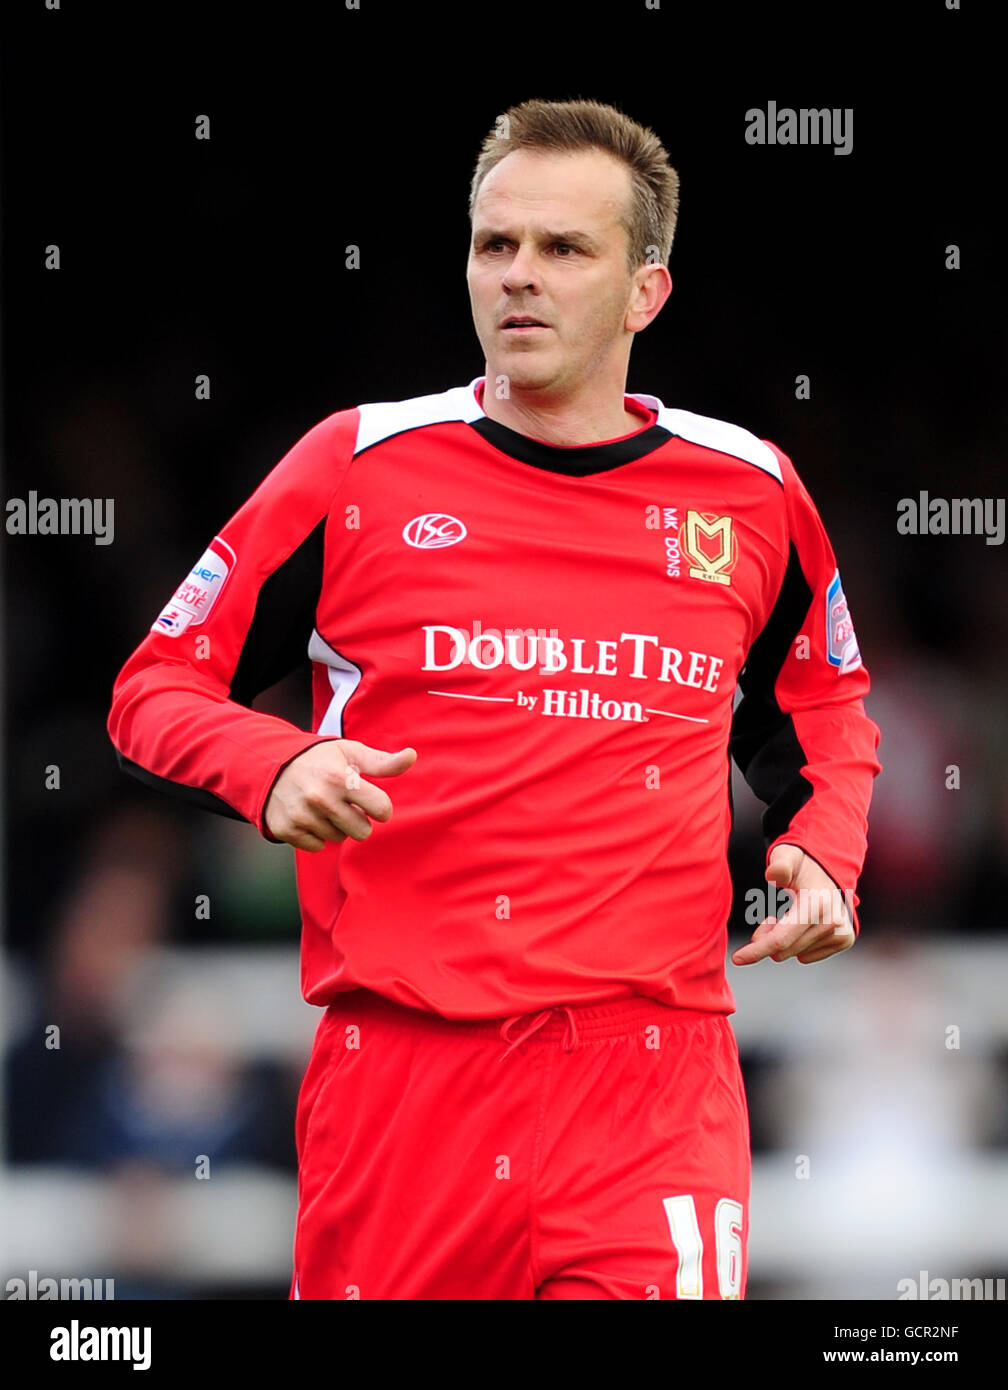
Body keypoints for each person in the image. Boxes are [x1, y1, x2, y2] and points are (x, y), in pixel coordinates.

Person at [107, 97, 882, 1300]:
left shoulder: (750, 493)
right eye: (495, 245)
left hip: (651, 1082)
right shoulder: (354, 466)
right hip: (403, 1084)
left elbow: (826, 707)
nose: (520, 277)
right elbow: (154, 687)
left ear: (646, 292)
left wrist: (825, 850)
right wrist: (272, 767)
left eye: (565, 250)